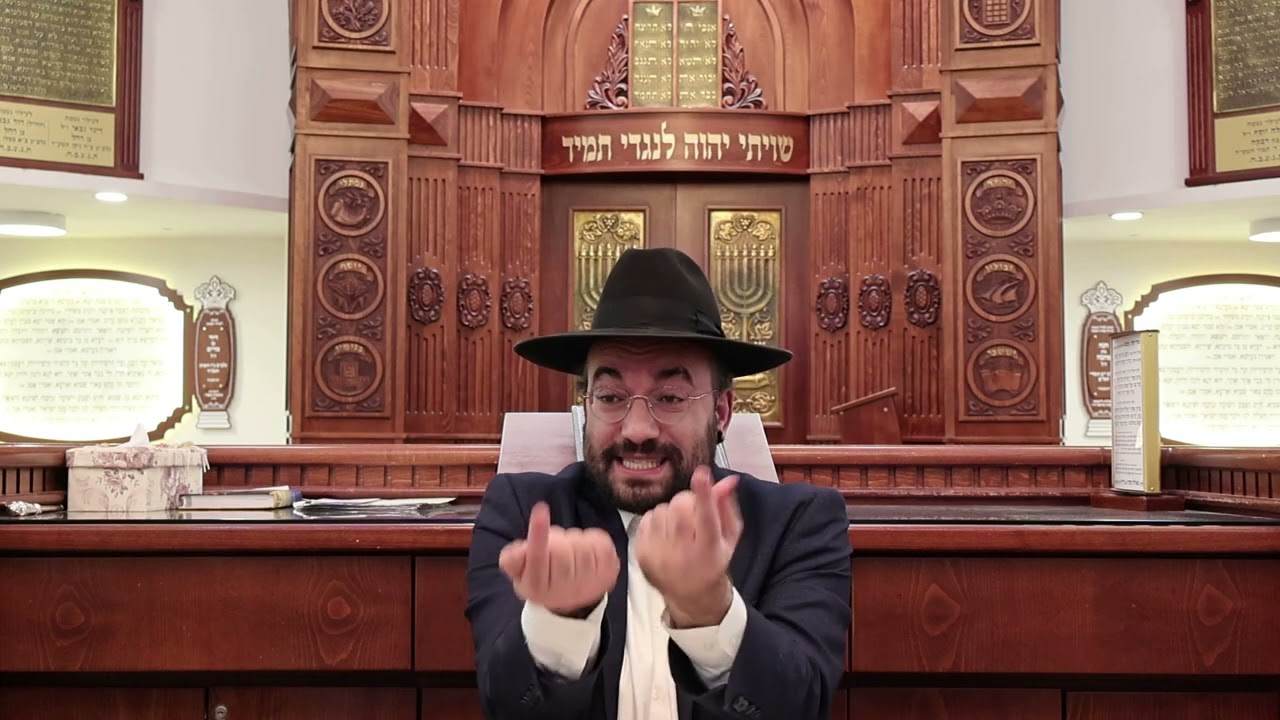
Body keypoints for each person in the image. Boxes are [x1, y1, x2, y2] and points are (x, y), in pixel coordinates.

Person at [465, 247, 852, 720]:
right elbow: (505, 705)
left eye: (670, 397)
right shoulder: (525, 514)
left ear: (721, 412)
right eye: (611, 396)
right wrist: (560, 622)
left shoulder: (798, 522)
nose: (637, 430)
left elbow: (801, 706)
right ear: (587, 406)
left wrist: (710, 610)